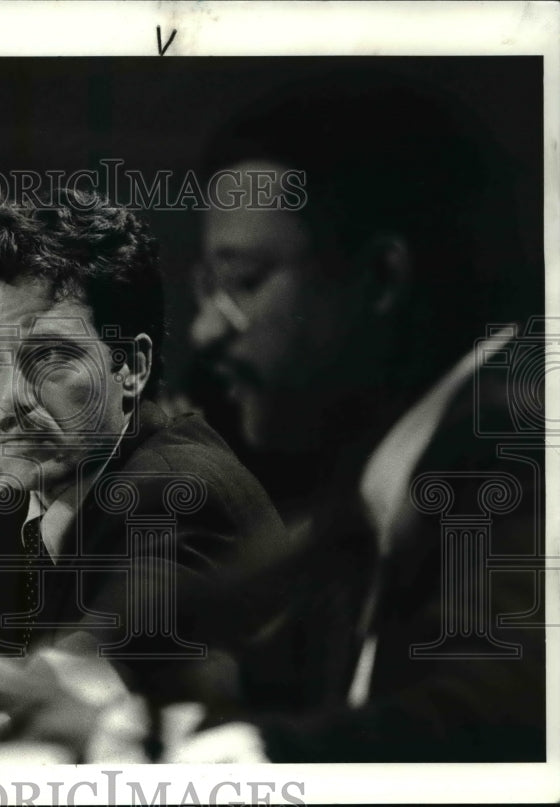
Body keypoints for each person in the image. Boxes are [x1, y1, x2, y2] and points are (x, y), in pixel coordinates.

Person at [175, 69, 545, 762]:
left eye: (245, 282)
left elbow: (522, 698)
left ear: (381, 278)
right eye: (207, 288)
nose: (205, 332)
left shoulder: (517, 434)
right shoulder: (396, 459)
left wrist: (257, 751)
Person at [0, 187, 291, 729]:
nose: (9, 400)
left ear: (131, 367)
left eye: (48, 356)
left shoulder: (171, 488)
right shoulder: (18, 515)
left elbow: (87, 674)